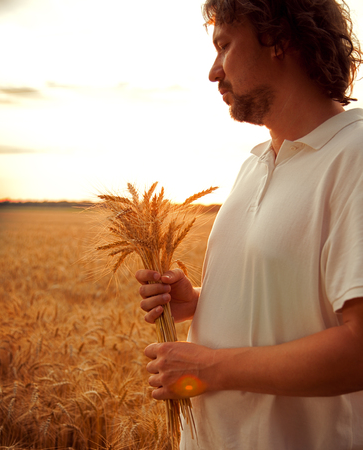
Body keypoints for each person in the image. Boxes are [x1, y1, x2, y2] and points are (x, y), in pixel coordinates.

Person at [136, 0, 363, 448]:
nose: (213, 71)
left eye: (224, 46)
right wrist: (199, 301)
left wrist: (209, 367)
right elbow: (297, 302)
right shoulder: (256, 164)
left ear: (279, 38)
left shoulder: (354, 156)